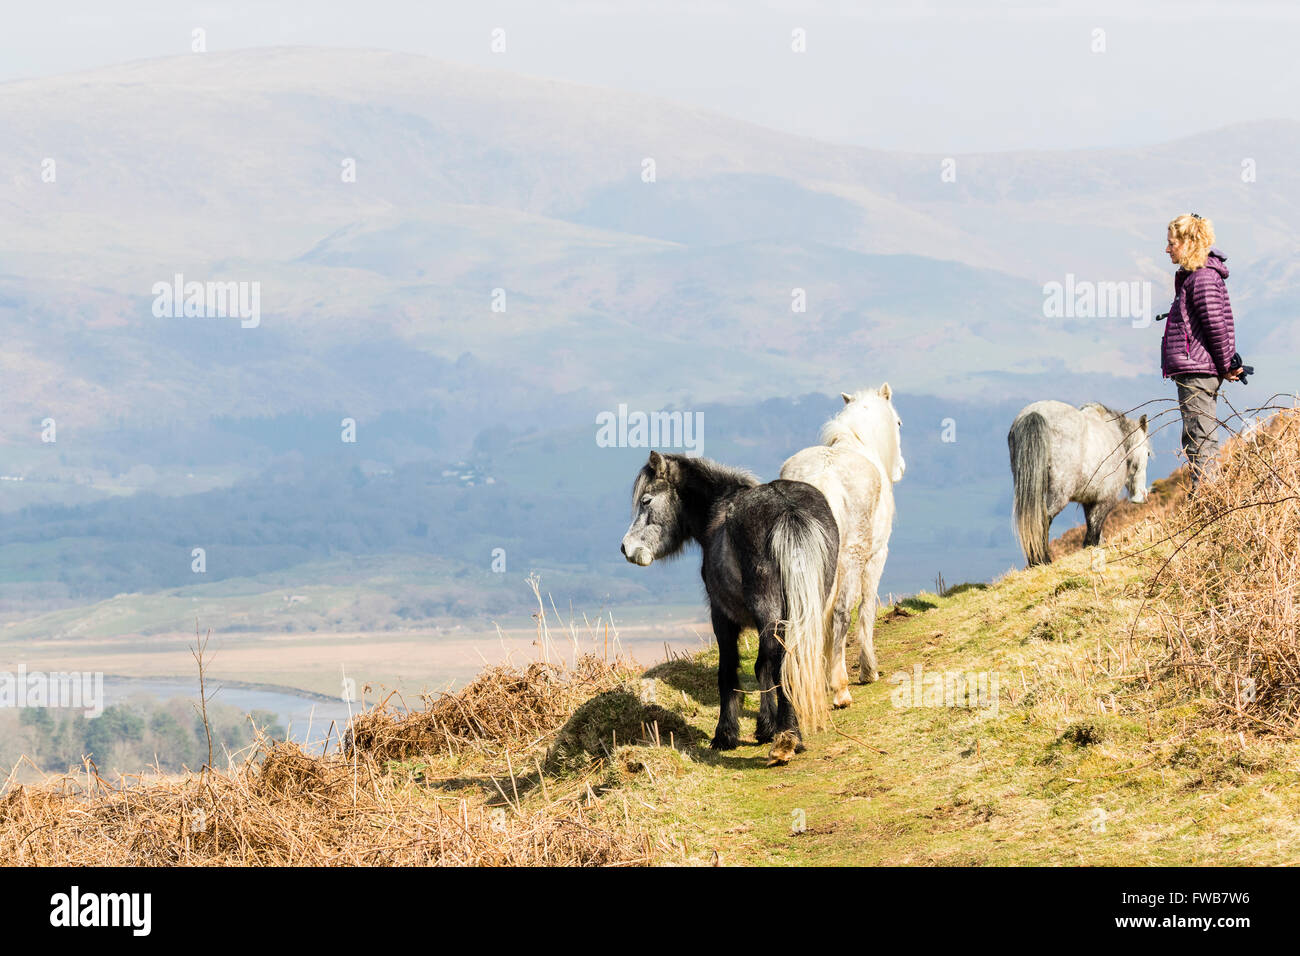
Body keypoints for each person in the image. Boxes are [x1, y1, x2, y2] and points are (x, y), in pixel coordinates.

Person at [1161, 213, 1240, 487]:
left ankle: (1207, 506)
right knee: (1198, 438)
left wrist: (1227, 363)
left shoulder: (1202, 278)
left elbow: (1215, 326)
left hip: (1197, 371)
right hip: (1198, 368)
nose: (1167, 248)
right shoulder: (1198, 277)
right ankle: (1208, 503)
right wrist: (1227, 363)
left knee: (1200, 442)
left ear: (1189, 242)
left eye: (1172, 243)